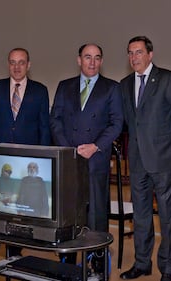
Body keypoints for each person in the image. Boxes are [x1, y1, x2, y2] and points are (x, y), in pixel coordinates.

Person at [50, 43, 123, 277]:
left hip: (95, 160)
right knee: (69, 213)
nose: (92, 62)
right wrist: (68, 148)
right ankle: (67, 263)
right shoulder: (64, 86)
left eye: (97, 58)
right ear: (78, 59)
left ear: (101, 61)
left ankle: (98, 265)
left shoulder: (111, 88)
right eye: (87, 57)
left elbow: (116, 123)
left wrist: (96, 146)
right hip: (69, 160)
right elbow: (56, 120)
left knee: (96, 213)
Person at [119, 36, 171, 281]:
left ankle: (168, 269)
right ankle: (142, 263)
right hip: (137, 163)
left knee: (168, 218)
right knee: (141, 216)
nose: (133, 57)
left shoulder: (168, 79)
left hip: (164, 163)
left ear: (150, 54)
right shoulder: (125, 84)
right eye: (130, 53)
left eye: (138, 52)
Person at [0, 47, 51, 265]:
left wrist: (42, 156)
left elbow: (44, 127)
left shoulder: (40, 90)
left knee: (19, 206)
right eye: (12, 62)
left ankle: (15, 251)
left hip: (26, 160)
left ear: (28, 65)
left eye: (21, 62)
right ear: (8, 64)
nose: (17, 67)